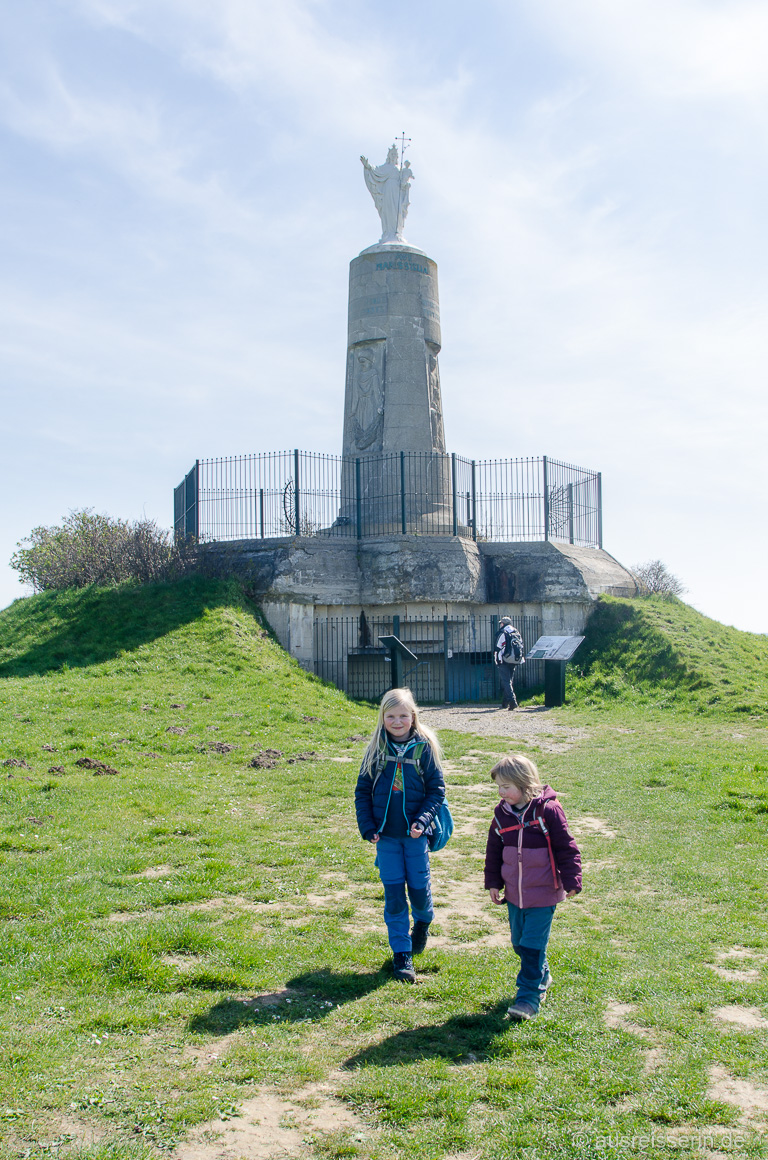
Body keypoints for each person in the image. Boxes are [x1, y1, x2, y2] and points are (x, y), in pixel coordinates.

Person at [355, 687, 446, 983]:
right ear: (382, 718)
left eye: (403, 715)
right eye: (391, 716)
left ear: (413, 717)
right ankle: (401, 954)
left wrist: (423, 819)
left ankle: (423, 922)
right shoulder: (376, 750)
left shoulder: (424, 749)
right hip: (386, 838)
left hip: (415, 836)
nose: (397, 721)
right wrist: (367, 827)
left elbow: (436, 791)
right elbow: (361, 793)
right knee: (394, 896)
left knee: (419, 890)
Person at [484, 754, 582, 1021]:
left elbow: (566, 847)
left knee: (531, 945)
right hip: (515, 894)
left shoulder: (548, 811)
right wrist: (493, 881)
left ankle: (528, 999)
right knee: (519, 943)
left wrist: (573, 879)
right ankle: (543, 975)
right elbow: (494, 849)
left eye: (507, 786)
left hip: (543, 891)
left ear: (525, 783)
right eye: (499, 787)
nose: (502, 792)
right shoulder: (502, 814)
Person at [494, 616, 524, 710]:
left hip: (504, 660)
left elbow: (498, 648)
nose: (500, 625)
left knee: (506, 682)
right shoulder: (516, 632)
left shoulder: (503, 633)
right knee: (509, 681)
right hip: (514, 659)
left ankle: (512, 701)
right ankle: (505, 702)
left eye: (501, 623)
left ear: (503, 624)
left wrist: (497, 660)